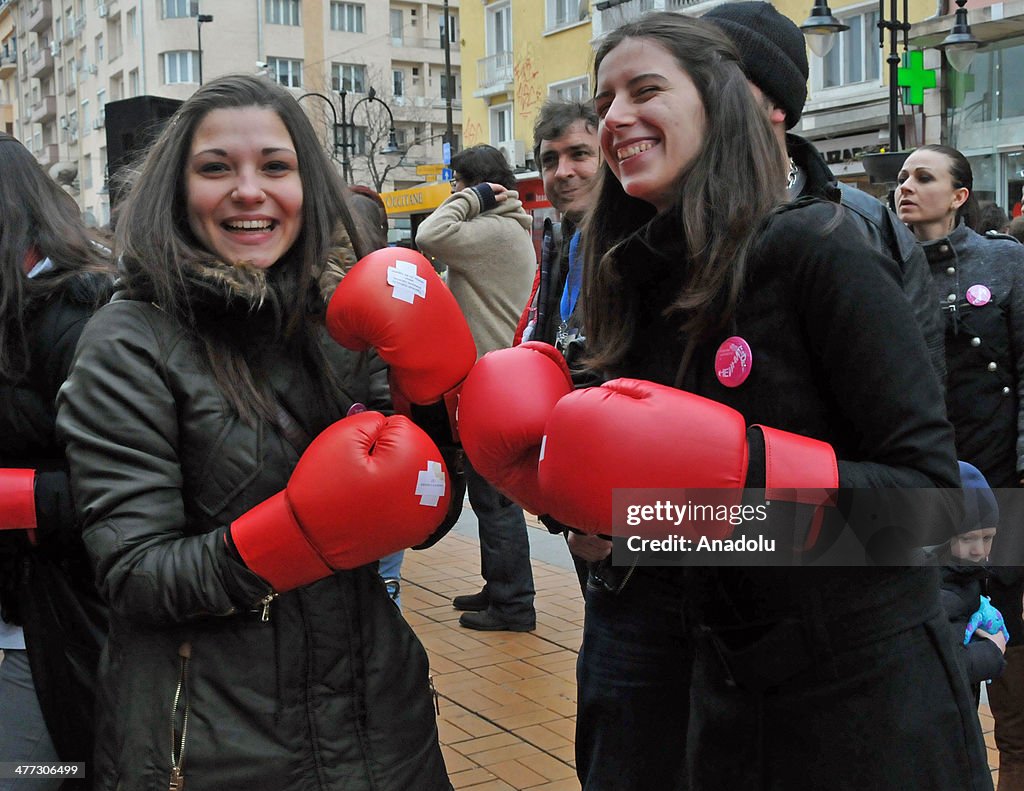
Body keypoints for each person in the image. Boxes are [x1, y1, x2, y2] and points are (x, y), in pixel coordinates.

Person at [459, 13, 988, 790]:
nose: (615, 118)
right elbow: (656, 496)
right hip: (713, 683)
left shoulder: (825, 248)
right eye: (605, 99)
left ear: (725, 103)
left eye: (646, 90)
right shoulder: (632, 269)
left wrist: (736, 472)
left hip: (852, 698)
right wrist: (589, 510)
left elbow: (934, 514)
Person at [55, 74, 453, 790]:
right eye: (216, 168)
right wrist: (294, 535)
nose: (249, 190)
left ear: (309, 186)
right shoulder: (128, 340)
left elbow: (422, 517)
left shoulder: (339, 320)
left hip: (378, 724)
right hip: (217, 742)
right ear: (177, 192)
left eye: (276, 165)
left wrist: (437, 410)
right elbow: (136, 572)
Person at [704, 0, 946, 382]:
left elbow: (917, 390)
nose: (698, 95)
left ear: (776, 104)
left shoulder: (866, 225)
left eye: (718, 77)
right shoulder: (662, 219)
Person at [897, 143, 1024, 791]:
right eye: (902, 177)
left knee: (1013, 683)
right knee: (936, 673)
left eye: (923, 176)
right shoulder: (884, 265)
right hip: (922, 499)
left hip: (1003, 496)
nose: (906, 186)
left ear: (960, 194)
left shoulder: (1006, 263)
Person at [0, 133, 112, 790]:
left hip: (47, 631)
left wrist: (14, 498)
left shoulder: (80, 317)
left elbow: (126, 492)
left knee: (38, 772)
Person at [416, 144, 538, 631]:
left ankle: (513, 604)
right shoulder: (505, 230)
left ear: (480, 185)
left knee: (495, 498)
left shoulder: (492, 228)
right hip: (491, 377)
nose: (452, 192)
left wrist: (478, 196)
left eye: (457, 182)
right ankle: (501, 586)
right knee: (489, 496)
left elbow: (429, 232)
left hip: (491, 384)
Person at [515, 99, 609, 595]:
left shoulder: (630, 243)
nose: (563, 172)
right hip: (578, 483)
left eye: (579, 155)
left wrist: (612, 514)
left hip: (624, 504)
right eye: (550, 160)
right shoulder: (563, 237)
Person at [922, 462, 1007, 705]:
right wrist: (991, 651)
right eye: (968, 538)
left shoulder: (965, 575)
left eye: (988, 537)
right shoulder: (938, 587)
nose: (979, 550)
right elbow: (933, 666)